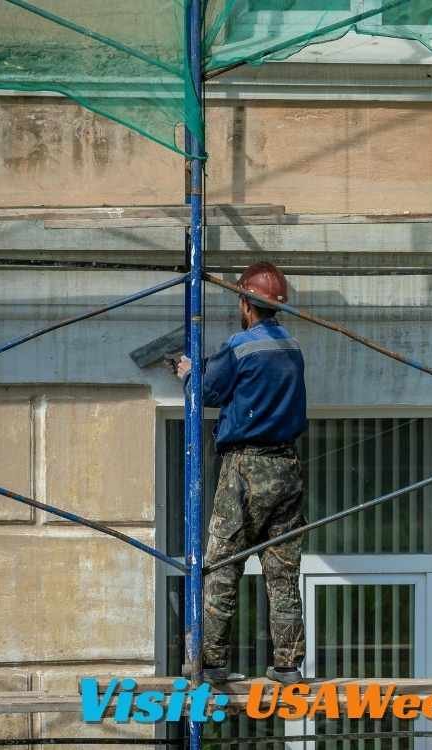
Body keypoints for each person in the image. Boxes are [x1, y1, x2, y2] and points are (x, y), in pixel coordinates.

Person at [175, 261, 307, 685]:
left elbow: (209, 391)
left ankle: (211, 663)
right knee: (282, 569)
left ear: (245, 304)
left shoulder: (240, 345)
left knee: (221, 564)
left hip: (245, 468)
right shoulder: (293, 348)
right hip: (287, 466)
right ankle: (287, 665)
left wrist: (188, 373)